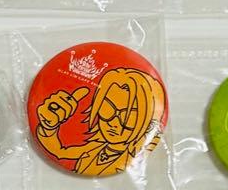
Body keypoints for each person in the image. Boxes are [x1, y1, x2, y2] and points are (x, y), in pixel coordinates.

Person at [34, 67, 165, 175]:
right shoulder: (94, 149)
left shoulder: (136, 157)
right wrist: (49, 126)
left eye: (128, 117)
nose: (113, 123)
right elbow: (59, 152)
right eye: (107, 109)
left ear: (148, 123)